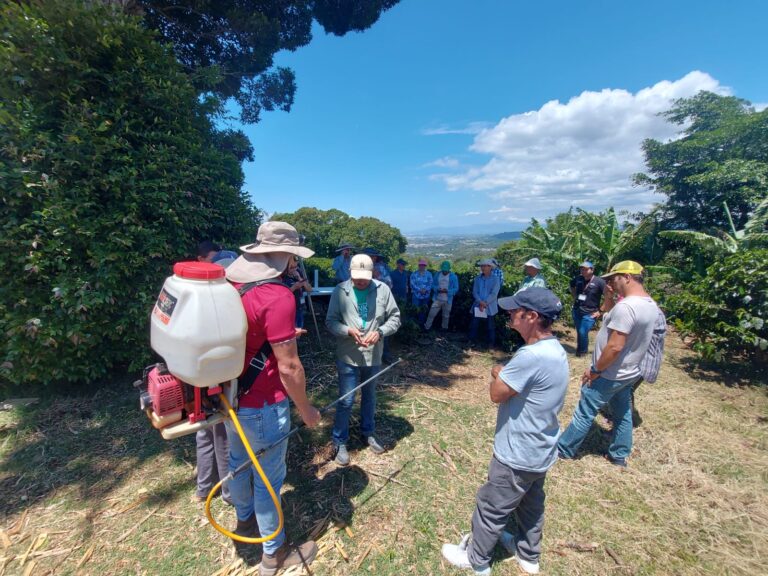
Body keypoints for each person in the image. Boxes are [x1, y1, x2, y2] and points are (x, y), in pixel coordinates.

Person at [441, 288, 568, 576]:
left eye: (515, 310)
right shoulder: (556, 350)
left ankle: (476, 559)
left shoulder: (530, 355)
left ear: (532, 316)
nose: (509, 313)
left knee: (491, 507)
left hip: (517, 453)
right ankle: (528, 555)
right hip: (541, 450)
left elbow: (496, 394)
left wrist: (499, 372)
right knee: (531, 505)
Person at [224, 222, 322, 576]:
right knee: (269, 478)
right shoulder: (277, 295)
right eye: (293, 256)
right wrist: (306, 409)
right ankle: (274, 553)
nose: (294, 263)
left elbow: (248, 332)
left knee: (238, 462)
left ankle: (245, 521)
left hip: (229, 395)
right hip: (264, 403)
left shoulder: (231, 284)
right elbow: (290, 367)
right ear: (283, 255)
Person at [558, 261, 660, 467]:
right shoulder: (650, 304)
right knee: (623, 413)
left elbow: (615, 346)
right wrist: (609, 297)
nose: (611, 283)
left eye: (614, 278)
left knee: (585, 412)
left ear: (627, 277)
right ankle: (619, 455)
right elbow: (610, 316)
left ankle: (563, 449)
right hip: (628, 372)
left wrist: (596, 370)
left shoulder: (627, 307)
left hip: (609, 373)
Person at [325, 254, 401, 466]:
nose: (360, 281)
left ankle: (368, 432)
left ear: (373, 273)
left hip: (373, 355)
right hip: (348, 355)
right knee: (346, 399)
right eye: (356, 276)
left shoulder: (382, 290)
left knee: (370, 396)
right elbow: (330, 321)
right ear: (350, 272)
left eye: (364, 277)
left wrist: (381, 331)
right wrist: (347, 330)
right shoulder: (340, 291)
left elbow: (395, 318)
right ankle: (339, 440)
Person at [193, 242, 234, 507]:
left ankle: (204, 487)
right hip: (218, 375)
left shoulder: (195, 294)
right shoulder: (222, 299)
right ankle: (229, 492)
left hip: (197, 373)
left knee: (204, 431)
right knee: (222, 433)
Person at [569, 261, 606, 356]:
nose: (583, 271)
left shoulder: (599, 282)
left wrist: (600, 311)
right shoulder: (578, 279)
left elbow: (608, 297)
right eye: (581, 269)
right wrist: (574, 296)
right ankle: (579, 351)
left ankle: (582, 352)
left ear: (592, 270)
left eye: (585, 269)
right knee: (580, 332)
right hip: (577, 310)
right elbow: (571, 285)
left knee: (582, 331)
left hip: (590, 313)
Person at [468, 259, 501, 348]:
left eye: (484, 266)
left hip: (490, 306)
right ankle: (472, 340)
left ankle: (491, 343)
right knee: (474, 324)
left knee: (490, 326)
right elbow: (475, 292)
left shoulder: (495, 279)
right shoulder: (477, 278)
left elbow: (494, 293)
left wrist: (485, 303)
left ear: (490, 267)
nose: (482, 268)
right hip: (478, 305)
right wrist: (480, 302)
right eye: (481, 266)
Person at [424, 260, 459, 331]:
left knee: (446, 316)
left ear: (449, 269)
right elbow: (432, 285)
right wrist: (437, 289)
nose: (444, 272)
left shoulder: (453, 276)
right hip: (437, 299)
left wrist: (447, 291)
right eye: (443, 270)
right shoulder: (437, 274)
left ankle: (444, 329)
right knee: (431, 314)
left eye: (446, 270)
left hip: (448, 300)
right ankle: (427, 327)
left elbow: (456, 288)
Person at [282, 256, 312, 328]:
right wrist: (294, 287)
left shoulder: (299, 272)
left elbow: (309, 289)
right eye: (291, 267)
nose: (294, 269)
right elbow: (282, 295)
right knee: (292, 329)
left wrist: (299, 278)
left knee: (299, 327)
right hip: (290, 309)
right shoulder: (282, 277)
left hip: (300, 307)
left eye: (296, 267)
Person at [410, 258, 433, 325]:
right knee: (415, 310)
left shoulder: (429, 274)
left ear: (425, 266)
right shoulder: (414, 274)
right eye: (421, 265)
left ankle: (421, 324)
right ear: (419, 265)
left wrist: (425, 290)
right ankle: (413, 325)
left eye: (423, 265)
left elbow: (431, 283)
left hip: (426, 296)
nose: (422, 266)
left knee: (423, 311)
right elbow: (412, 284)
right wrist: (419, 290)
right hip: (416, 295)